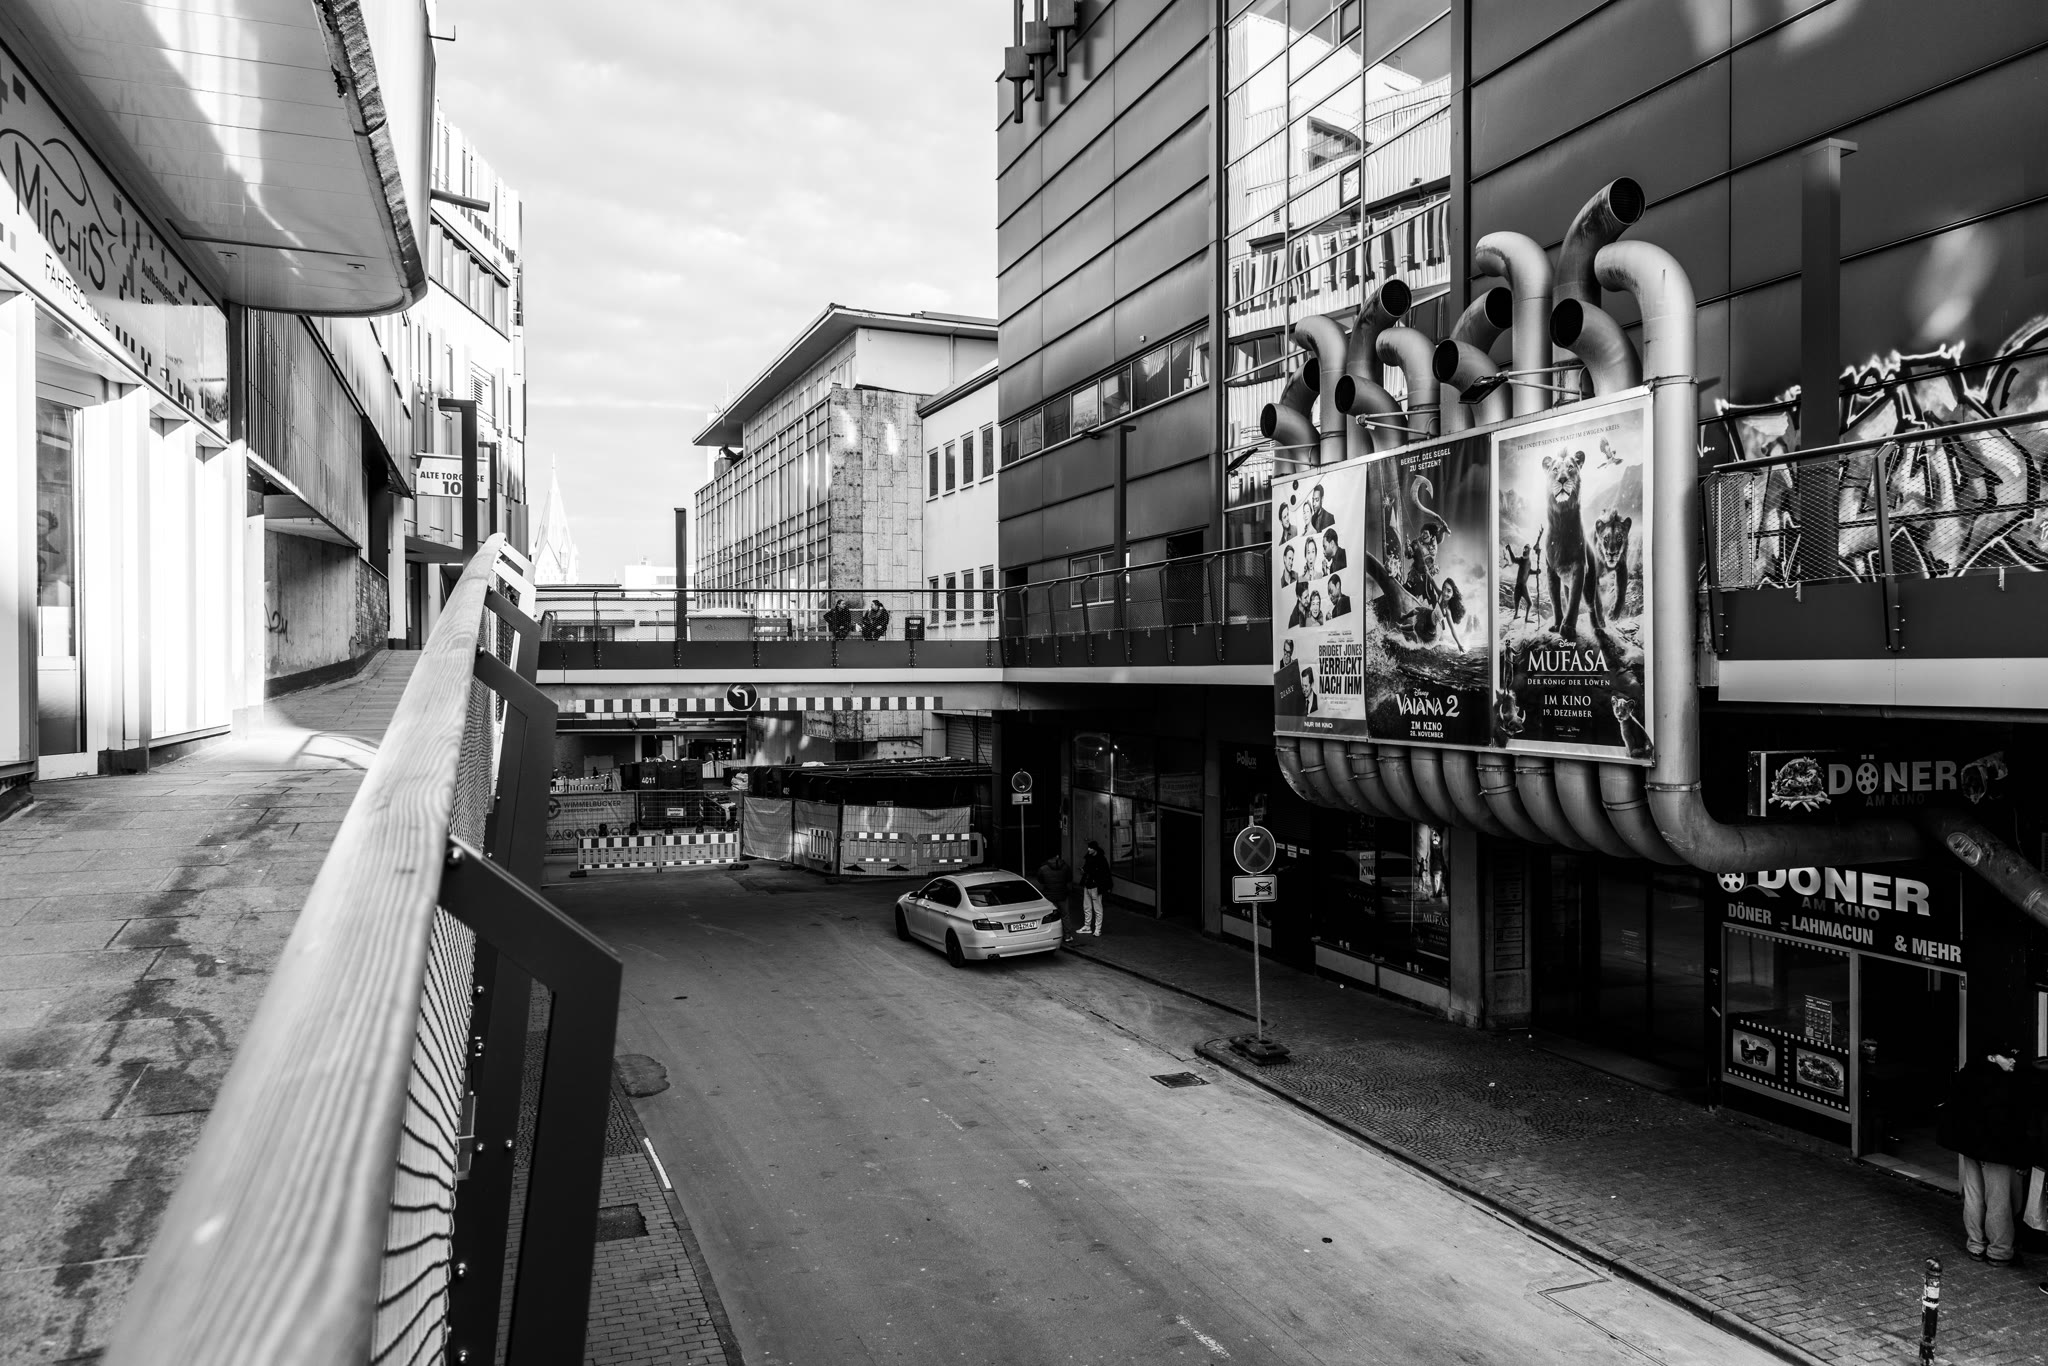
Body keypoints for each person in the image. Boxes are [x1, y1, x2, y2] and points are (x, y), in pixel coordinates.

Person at [1937, 1038, 2037, 1267]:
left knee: (1973, 1197)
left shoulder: (1967, 1076)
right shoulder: (2005, 1084)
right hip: (1998, 1152)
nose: (2013, 1060)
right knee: (2000, 1201)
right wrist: (2023, 1158)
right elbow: (2013, 1126)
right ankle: (1999, 1251)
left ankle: (1975, 1245)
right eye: (2006, 1056)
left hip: (1971, 1148)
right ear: (1991, 1058)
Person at [1035, 850, 1078, 945]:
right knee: (1065, 915)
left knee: (1050, 916)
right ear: (1057, 856)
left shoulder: (1043, 868)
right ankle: (1067, 936)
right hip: (1063, 895)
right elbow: (1069, 879)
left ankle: (1051, 936)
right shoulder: (1065, 867)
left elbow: (1040, 880)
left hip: (1049, 896)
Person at [1079, 840, 1112, 936]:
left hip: (1095, 886)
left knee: (1097, 909)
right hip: (1089, 885)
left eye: (1090, 848)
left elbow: (1105, 874)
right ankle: (1088, 926)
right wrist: (1083, 871)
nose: (1088, 849)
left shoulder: (1101, 860)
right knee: (1087, 907)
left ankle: (1097, 929)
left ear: (1094, 849)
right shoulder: (1091, 857)